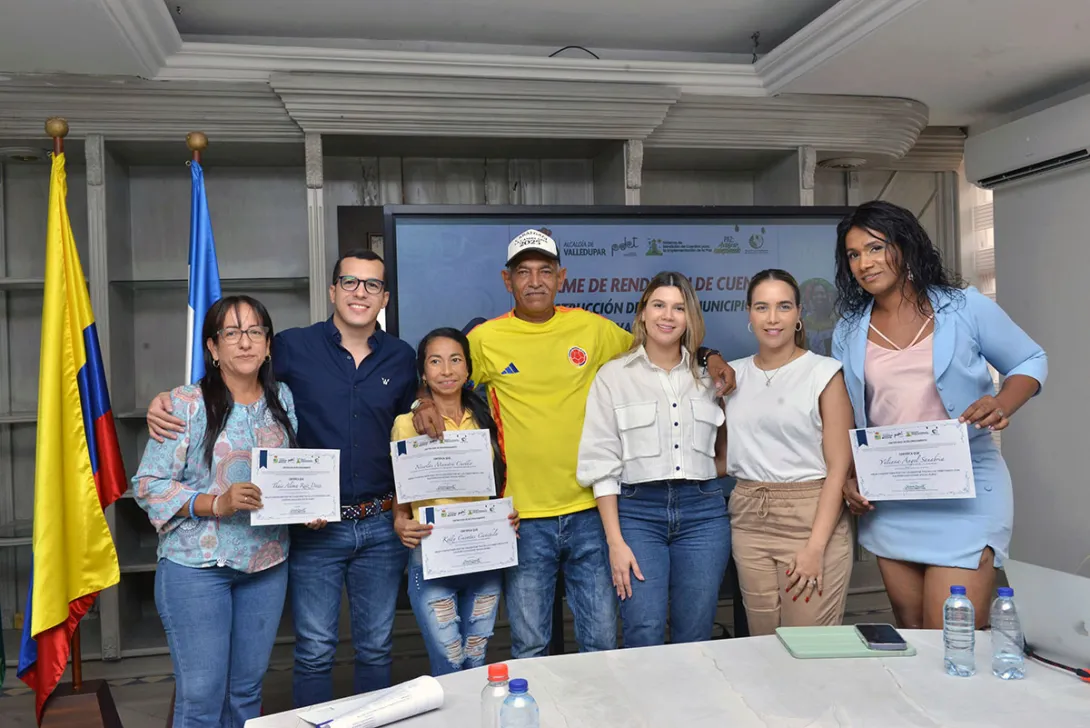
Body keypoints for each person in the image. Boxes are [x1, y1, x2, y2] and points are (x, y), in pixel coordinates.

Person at [412, 229, 736, 658]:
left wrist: (708, 353)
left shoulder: (592, 329)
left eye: (545, 271)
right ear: (506, 281)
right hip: (522, 515)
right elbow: (444, 373)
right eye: (523, 272)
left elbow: (660, 343)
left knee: (601, 640)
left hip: (592, 511)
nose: (534, 281)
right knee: (530, 643)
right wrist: (421, 399)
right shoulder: (485, 339)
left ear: (561, 277)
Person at [146, 250, 417, 706]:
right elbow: (230, 376)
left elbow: (409, 427)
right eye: (349, 282)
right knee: (313, 651)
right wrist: (166, 401)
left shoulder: (401, 357)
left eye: (371, 285)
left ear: (384, 296)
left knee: (376, 648)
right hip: (315, 532)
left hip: (378, 524)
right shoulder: (293, 347)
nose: (360, 292)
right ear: (332, 291)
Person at [832, 200, 1047, 629]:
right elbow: (850, 416)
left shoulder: (963, 307)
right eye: (854, 255)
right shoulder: (848, 329)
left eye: (875, 248)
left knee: (952, 631)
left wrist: (1002, 403)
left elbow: (1029, 360)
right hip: (893, 497)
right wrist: (851, 477)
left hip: (967, 490)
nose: (864, 263)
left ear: (905, 246)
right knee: (912, 632)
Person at [133, 296, 308, 727]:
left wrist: (307, 508)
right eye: (231, 333)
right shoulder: (184, 403)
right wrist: (216, 502)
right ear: (213, 348)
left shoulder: (281, 399)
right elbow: (147, 485)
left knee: (246, 693)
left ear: (268, 345)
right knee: (201, 698)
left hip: (266, 563)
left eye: (255, 332)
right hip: (197, 568)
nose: (244, 342)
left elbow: (288, 478)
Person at [576, 272, 730, 647]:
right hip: (637, 514)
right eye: (659, 305)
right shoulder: (614, 376)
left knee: (694, 632)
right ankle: (644, 708)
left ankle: (691, 708)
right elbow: (601, 462)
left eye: (679, 308)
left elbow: (729, 449)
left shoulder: (711, 377)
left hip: (703, 513)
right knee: (642, 628)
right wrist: (615, 541)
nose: (668, 315)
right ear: (643, 313)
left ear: (690, 318)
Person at [723, 269, 855, 635]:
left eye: (783, 307)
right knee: (763, 643)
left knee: (809, 643)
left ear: (799, 314)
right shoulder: (732, 376)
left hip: (810, 517)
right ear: (748, 313)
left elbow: (839, 465)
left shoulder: (824, 372)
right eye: (762, 307)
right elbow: (720, 455)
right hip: (749, 518)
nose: (772, 318)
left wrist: (815, 547)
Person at [390, 327, 520, 675]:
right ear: (423, 371)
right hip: (433, 555)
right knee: (449, 660)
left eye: (455, 360)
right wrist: (399, 520)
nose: (446, 370)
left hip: (484, 556)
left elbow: (501, 483)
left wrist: (509, 514)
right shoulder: (407, 424)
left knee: (477, 659)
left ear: (467, 370)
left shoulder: (486, 420)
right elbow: (402, 492)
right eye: (435, 361)